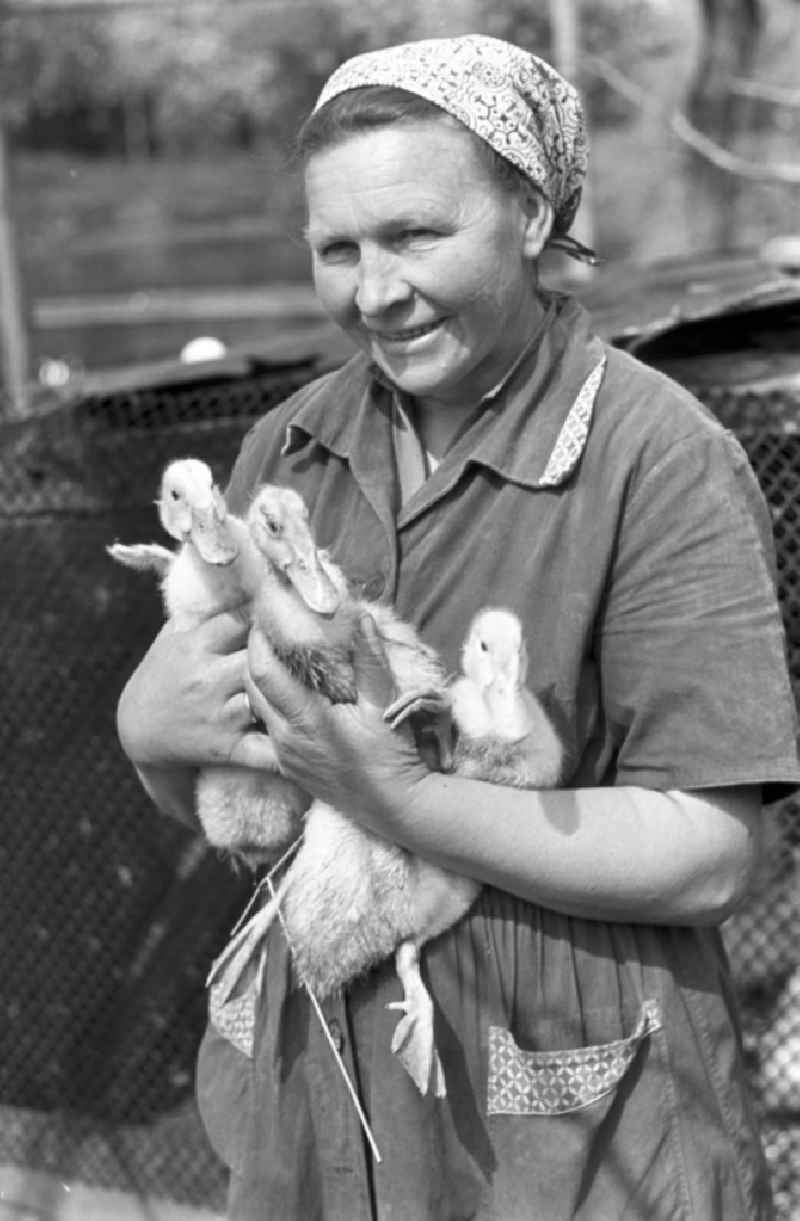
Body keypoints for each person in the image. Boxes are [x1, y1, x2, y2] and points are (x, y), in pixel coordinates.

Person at [116, 33, 800, 1221]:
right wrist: (152, 736)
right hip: (317, 1090)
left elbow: (715, 857)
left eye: (415, 235)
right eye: (337, 248)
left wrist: (410, 802)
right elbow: (250, 812)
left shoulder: (658, 459)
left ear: (530, 214)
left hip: (566, 1125)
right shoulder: (287, 447)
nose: (373, 291)